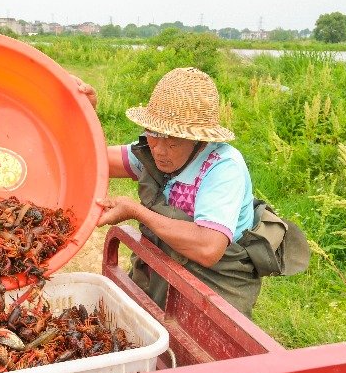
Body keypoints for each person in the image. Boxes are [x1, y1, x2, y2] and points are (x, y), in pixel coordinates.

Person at [96, 67, 309, 316]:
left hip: (214, 282)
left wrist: (136, 211)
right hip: (164, 268)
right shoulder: (153, 149)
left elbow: (208, 248)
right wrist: (84, 111)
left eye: (173, 140)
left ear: (198, 138)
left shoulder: (222, 168)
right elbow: (94, 158)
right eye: (154, 134)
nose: (160, 150)